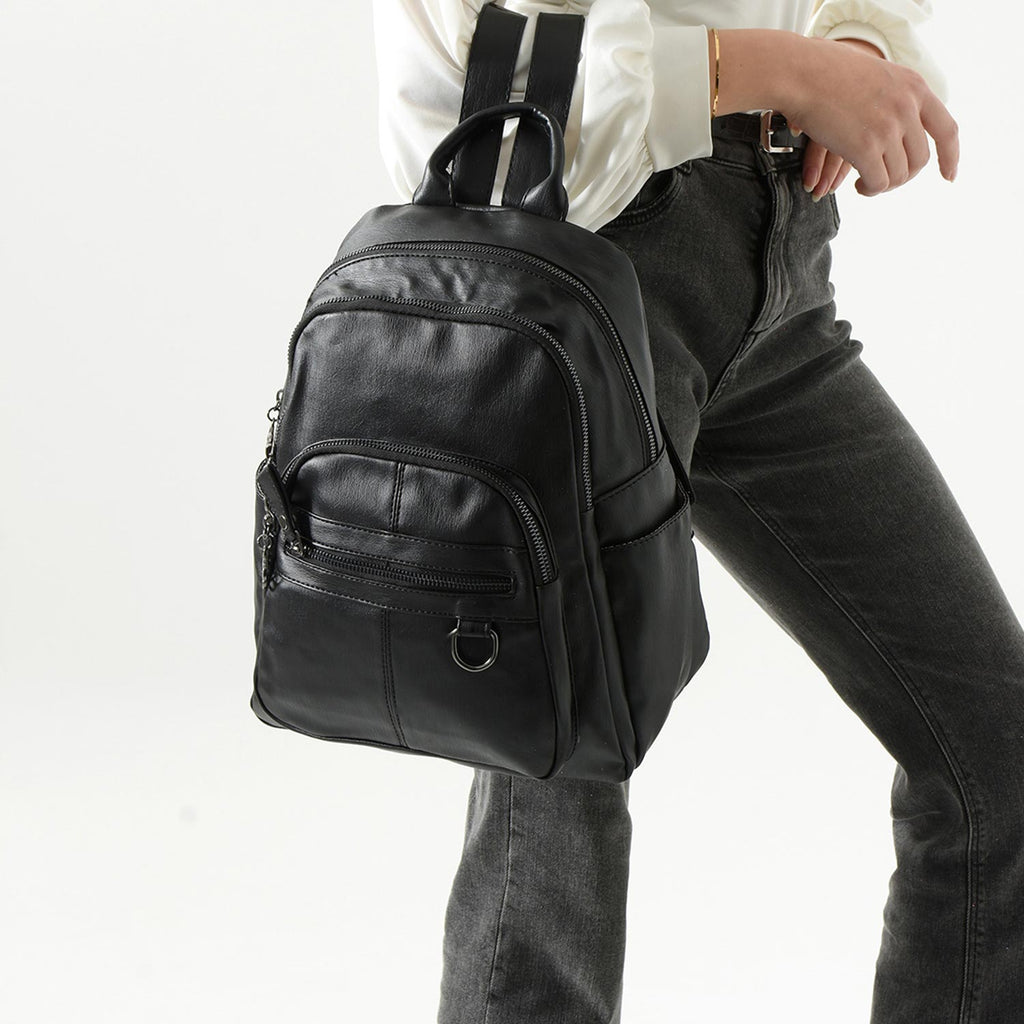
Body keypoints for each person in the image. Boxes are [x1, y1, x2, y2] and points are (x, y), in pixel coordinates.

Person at [371, 3, 1024, 1022]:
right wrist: (787, 71)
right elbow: (497, 63)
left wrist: (853, 42)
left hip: (784, 266)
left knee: (997, 746)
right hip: (595, 256)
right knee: (559, 767)